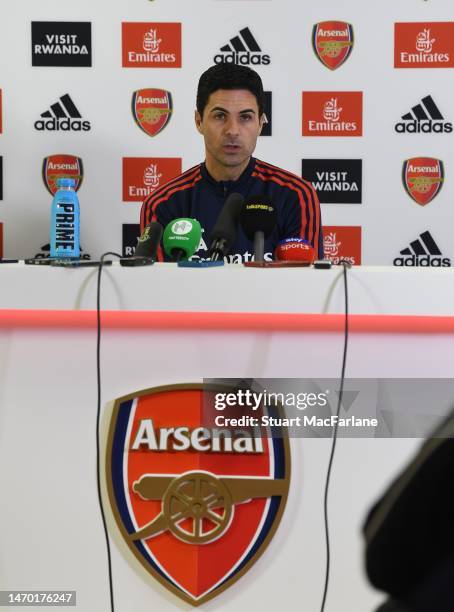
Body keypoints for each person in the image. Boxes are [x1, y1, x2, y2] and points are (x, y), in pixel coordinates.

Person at [140, 63, 323, 262]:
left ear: (261, 123)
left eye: (245, 117)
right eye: (220, 116)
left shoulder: (295, 196)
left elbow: (305, 286)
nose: (233, 130)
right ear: (199, 121)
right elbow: (156, 288)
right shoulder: (164, 204)